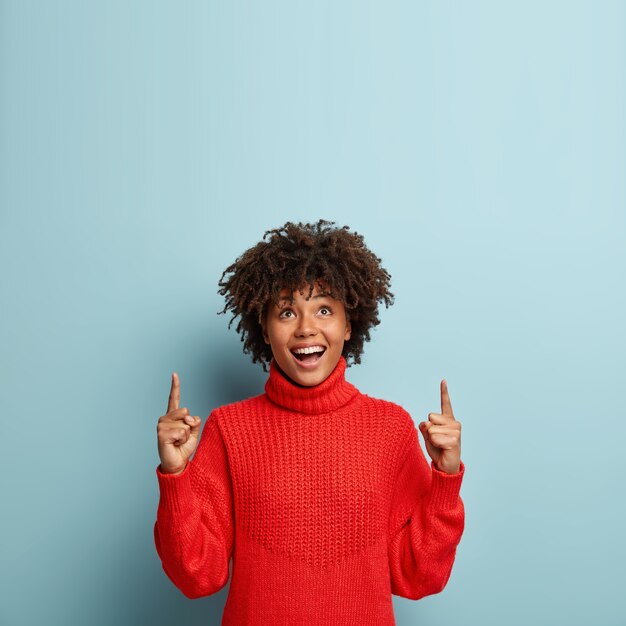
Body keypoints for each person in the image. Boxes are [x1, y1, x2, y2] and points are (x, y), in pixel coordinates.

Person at [153, 219, 465, 625]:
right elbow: (198, 576)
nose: (306, 328)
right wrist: (176, 478)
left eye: (323, 309)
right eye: (286, 311)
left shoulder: (390, 428)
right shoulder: (228, 429)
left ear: (348, 324)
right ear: (264, 329)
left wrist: (446, 477)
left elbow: (417, 576)